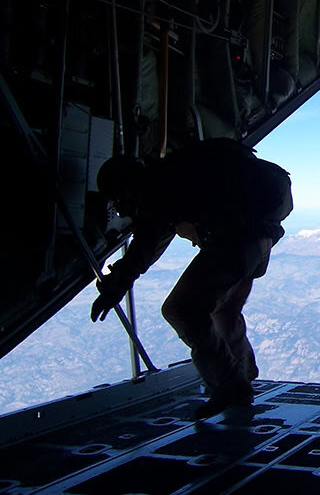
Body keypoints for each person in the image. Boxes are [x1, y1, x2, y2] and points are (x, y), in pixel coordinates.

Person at [90, 138, 293, 419]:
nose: (123, 206)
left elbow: (146, 244)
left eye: (120, 197)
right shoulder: (178, 172)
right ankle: (242, 374)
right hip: (259, 239)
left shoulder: (158, 186)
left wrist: (117, 284)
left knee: (182, 310)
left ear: (128, 184)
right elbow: (154, 240)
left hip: (238, 241)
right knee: (224, 309)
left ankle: (231, 385)